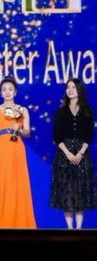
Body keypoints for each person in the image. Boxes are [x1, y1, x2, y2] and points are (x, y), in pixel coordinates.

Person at [0, 75, 36, 228]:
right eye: (4, 90)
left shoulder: (22, 110)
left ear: (15, 92)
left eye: (10, 89)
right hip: (0, 148)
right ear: (1, 93)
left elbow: (27, 132)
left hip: (16, 149)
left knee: (16, 184)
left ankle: (16, 221)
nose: (7, 92)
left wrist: (20, 130)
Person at [50, 77, 96, 229]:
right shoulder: (60, 112)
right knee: (67, 191)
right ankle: (69, 229)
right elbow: (57, 136)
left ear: (79, 90)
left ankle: (79, 229)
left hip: (82, 154)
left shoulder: (87, 111)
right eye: (68, 87)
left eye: (73, 87)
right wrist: (68, 153)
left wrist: (81, 153)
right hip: (64, 154)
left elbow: (89, 135)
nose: (70, 90)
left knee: (80, 191)